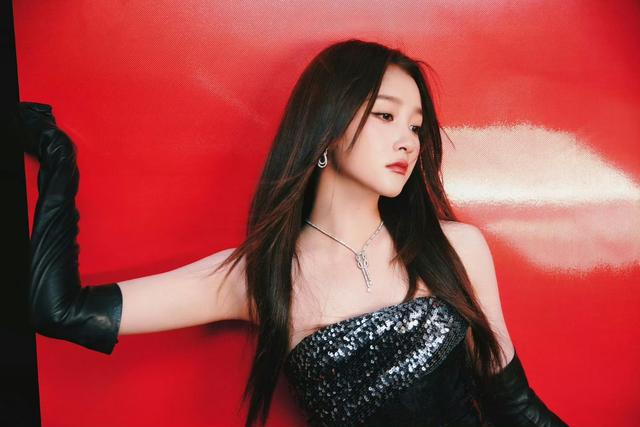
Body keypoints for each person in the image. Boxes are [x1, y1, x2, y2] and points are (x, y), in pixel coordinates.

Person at [20, 39, 568, 427]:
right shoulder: (260, 277)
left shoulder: (457, 248)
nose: (407, 139)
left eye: (416, 125)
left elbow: (515, 409)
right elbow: (60, 310)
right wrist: (58, 161)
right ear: (326, 128)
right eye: (385, 116)